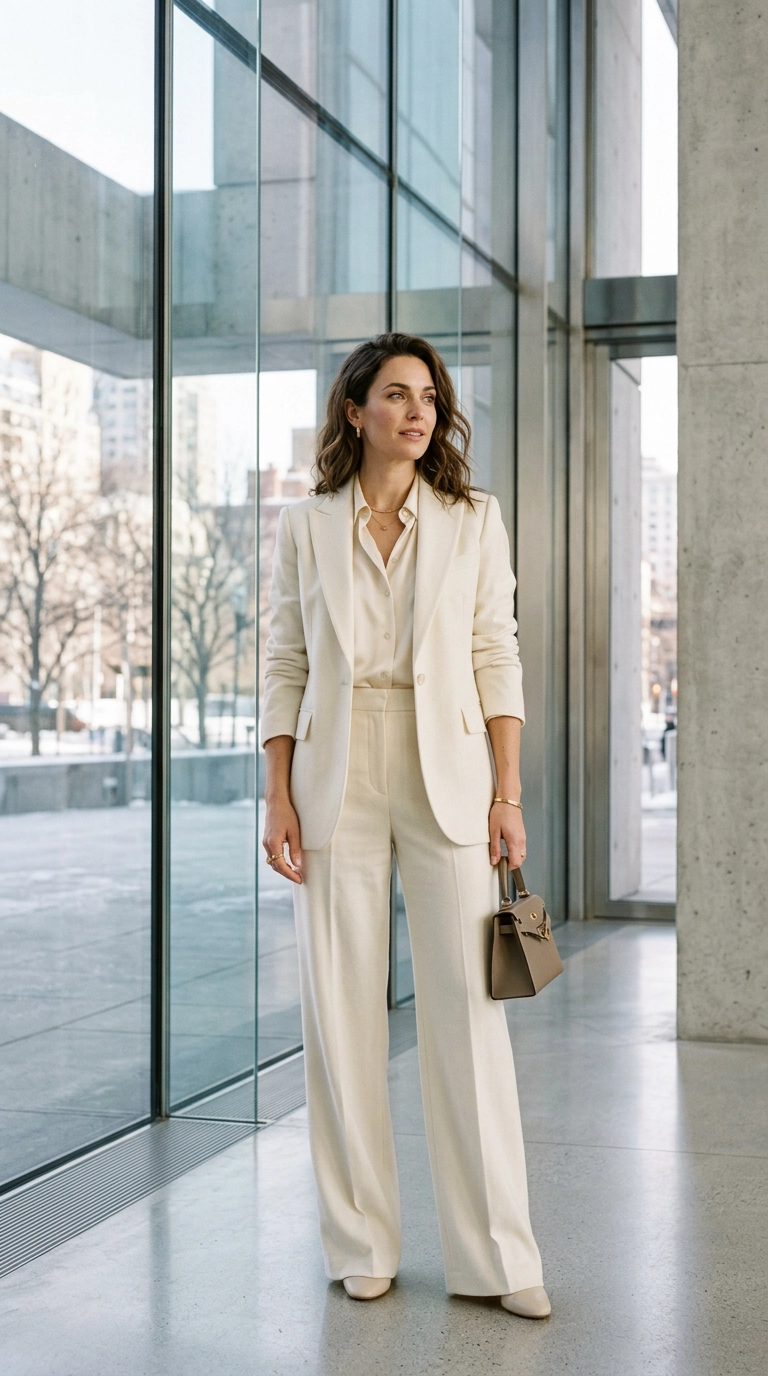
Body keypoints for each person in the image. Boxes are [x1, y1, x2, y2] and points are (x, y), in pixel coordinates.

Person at [261, 333, 550, 1319]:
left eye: (428, 395)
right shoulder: (307, 527)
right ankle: (361, 1240)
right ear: (356, 412)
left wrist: (506, 792)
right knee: (338, 1013)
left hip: (450, 771)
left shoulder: (475, 519)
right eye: (394, 394)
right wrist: (279, 792)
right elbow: (284, 663)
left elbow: (495, 650)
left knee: (470, 1013)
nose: (416, 411)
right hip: (339, 768)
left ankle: (498, 1254)